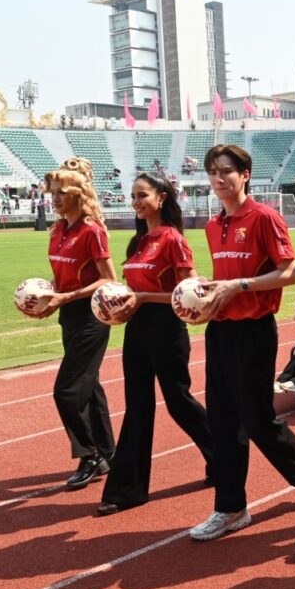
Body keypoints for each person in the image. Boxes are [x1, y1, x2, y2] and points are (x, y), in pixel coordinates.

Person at [188, 144, 295, 541]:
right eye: (212, 172)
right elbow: (225, 277)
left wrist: (240, 285)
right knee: (222, 420)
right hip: (221, 329)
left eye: (226, 171)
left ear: (245, 174)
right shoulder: (214, 226)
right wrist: (208, 293)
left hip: (255, 329)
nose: (219, 179)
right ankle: (231, 508)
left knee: (256, 418)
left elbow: (290, 272)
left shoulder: (265, 217)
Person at [96, 173, 214, 515]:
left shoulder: (172, 239)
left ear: (162, 197)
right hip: (136, 330)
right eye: (132, 195)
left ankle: (223, 457)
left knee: (178, 401)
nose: (136, 201)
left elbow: (188, 293)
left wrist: (143, 296)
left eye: (142, 195)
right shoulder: (138, 242)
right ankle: (127, 490)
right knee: (137, 406)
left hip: (166, 329)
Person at [35, 158, 117, 488]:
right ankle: (108, 453)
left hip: (91, 317)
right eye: (52, 192)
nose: (54, 198)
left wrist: (65, 298)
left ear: (78, 195)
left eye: (61, 192)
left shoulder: (92, 232)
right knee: (90, 386)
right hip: (68, 316)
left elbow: (109, 280)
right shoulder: (58, 231)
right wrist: (47, 296)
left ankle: (90, 456)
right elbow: (62, 278)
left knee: (67, 391)